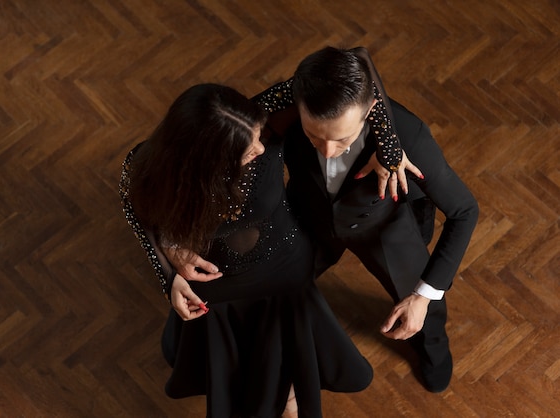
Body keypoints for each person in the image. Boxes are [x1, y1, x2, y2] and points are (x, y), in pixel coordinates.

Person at [176, 47, 479, 394]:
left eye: (342, 140)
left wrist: (423, 298)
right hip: (310, 218)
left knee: (424, 304)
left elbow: (465, 211)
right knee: (270, 287)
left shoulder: (407, 135)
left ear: (369, 111)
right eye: (314, 136)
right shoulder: (284, 108)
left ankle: (434, 352)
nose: (328, 151)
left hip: (383, 228)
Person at [119, 84, 375, 418]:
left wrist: (389, 150)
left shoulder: (266, 121)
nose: (258, 146)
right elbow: (135, 206)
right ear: (208, 157)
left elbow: (354, 68)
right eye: (246, 147)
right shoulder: (154, 165)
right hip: (218, 287)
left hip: (284, 270)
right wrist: (167, 266)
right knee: (236, 370)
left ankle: (290, 395)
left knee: (287, 350)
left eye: (257, 136)